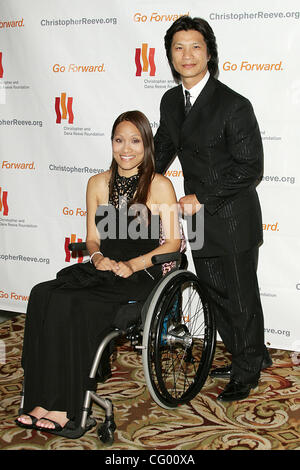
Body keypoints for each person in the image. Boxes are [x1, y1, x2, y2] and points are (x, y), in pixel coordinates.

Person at [16, 110, 181, 437]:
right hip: (103, 268)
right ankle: (39, 399)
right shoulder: (96, 183)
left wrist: (134, 264)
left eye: (135, 140)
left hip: (140, 274)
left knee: (74, 306)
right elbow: (92, 237)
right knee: (43, 294)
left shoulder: (160, 186)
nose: (126, 148)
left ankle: (67, 407)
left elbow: (174, 243)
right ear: (111, 143)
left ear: (147, 145)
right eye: (119, 140)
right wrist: (97, 255)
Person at [154, 16, 272, 402]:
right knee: (216, 295)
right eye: (178, 47)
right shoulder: (172, 101)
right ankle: (247, 353)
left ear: (209, 53)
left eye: (195, 47)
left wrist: (202, 197)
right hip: (198, 219)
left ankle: (249, 367)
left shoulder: (233, 105)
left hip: (232, 217)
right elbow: (162, 149)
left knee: (239, 296)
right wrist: (133, 178)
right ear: (170, 55)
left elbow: (250, 167)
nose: (187, 56)